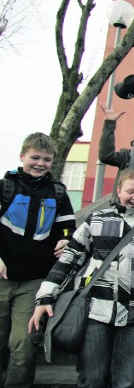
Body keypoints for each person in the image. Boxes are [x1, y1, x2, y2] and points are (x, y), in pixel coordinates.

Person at [28, 168, 134, 388]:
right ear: (118, 191)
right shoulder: (96, 219)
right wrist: (45, 297)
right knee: (91, 378)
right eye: (130, 191)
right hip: (96, 310)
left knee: (126, 380)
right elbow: (68, 260)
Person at [0, 133, 75, 388]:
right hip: (2, 278)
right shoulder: (4, 187)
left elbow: (68, 228)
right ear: (22, 156)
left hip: (34, 281)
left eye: (46, 159)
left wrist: (65, 240)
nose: (40, 163)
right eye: (34, 157)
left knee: (22, 345)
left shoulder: (58, 192)